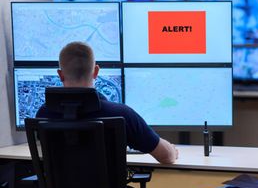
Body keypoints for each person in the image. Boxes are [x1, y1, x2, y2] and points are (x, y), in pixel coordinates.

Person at [36, 41, 179, 165]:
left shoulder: (43, 114)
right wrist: (172, 150)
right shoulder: (121, 114)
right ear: (96, 71)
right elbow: (166, 156)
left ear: (60, 74)